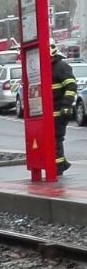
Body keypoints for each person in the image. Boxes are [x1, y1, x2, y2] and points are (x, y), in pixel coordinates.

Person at [50, 39, 77, 176]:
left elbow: (71, 86)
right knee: (53, 140)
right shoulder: (48, 68)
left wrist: (66, 105)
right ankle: (62, 163)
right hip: (50, 112)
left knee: (56, 139)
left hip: (59, 111)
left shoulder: (61, 67)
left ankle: (59, 167)